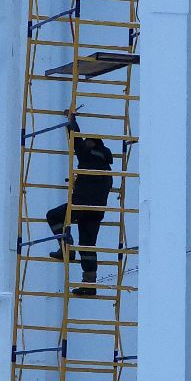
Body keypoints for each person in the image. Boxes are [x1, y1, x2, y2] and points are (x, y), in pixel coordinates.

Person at [44, 107, 114, 296]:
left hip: (81, 205)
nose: (85, 144)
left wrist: (71, 120)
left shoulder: (87, 155)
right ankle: (89, 285)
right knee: (87, 246)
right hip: (96, 212)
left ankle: (66, 249)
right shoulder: (107, 169)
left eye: (87, 142)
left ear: (93, 145)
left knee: (53, 216)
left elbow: (75, 138)